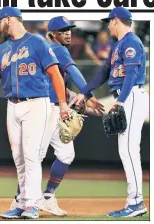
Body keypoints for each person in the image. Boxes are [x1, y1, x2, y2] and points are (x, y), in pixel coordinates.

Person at [0, 6, 71, 219]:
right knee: (19, 157)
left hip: (36, 102)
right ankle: (22, 203)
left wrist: (63, 104)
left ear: (8, 19)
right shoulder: (2, 49)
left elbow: (55, 73)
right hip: (12, 105)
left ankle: (32, 205)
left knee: (31, 155)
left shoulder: (36, 42)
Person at [9, 16, 105, 216]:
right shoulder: (57, 49)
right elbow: (74, 71)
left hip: (54, 109)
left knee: (65, 154)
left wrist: (77, 97)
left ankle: (47, 197)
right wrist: (89, 94)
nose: (68, 33)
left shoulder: (48, 50)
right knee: (35, 157)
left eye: (69, 29)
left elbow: (56, 82)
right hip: (46, 110)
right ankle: (19, 200)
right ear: (53, 34)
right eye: (62, 31)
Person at [70, 7, 149, 217]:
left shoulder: (131, 42)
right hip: (125, 96)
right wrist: (82, 93)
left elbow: (131, 74)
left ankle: (136, 203)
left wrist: (121, 102)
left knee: (130, 151)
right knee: (127, 151)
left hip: (130, 95)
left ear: (116, 20)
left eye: (109, 21)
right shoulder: (118, 46)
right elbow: (101, 75)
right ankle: (134, 201)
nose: (107, 25)